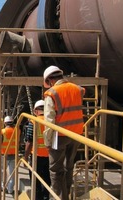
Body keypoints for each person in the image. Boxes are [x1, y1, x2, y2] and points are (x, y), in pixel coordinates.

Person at [43, 65, 85, 200]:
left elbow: (49, 120)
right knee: (69, 165)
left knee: (56, 170)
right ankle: (66, 193)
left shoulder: (52, 93)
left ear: (50, 80)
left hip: (59, 136)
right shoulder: (77, 89)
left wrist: (48, 141)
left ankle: (58, 197)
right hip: (76, 134)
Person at [23, 100, 51, 200]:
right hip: (49, 156)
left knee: (36, 180)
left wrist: (25, 157)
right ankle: (46, 197)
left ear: (35, 111)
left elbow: (29, 142)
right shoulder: (51, 121)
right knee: (47, 179)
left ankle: (37, 198)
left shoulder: (33, 122)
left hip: (36, 156)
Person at [0, 115, 19, 194]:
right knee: (12, 173)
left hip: (4, 155)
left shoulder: (2, 131)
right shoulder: (17, 131)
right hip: (14, 155)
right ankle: (10, 189)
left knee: (3, 172)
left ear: (5, 123)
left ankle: (3, 187)